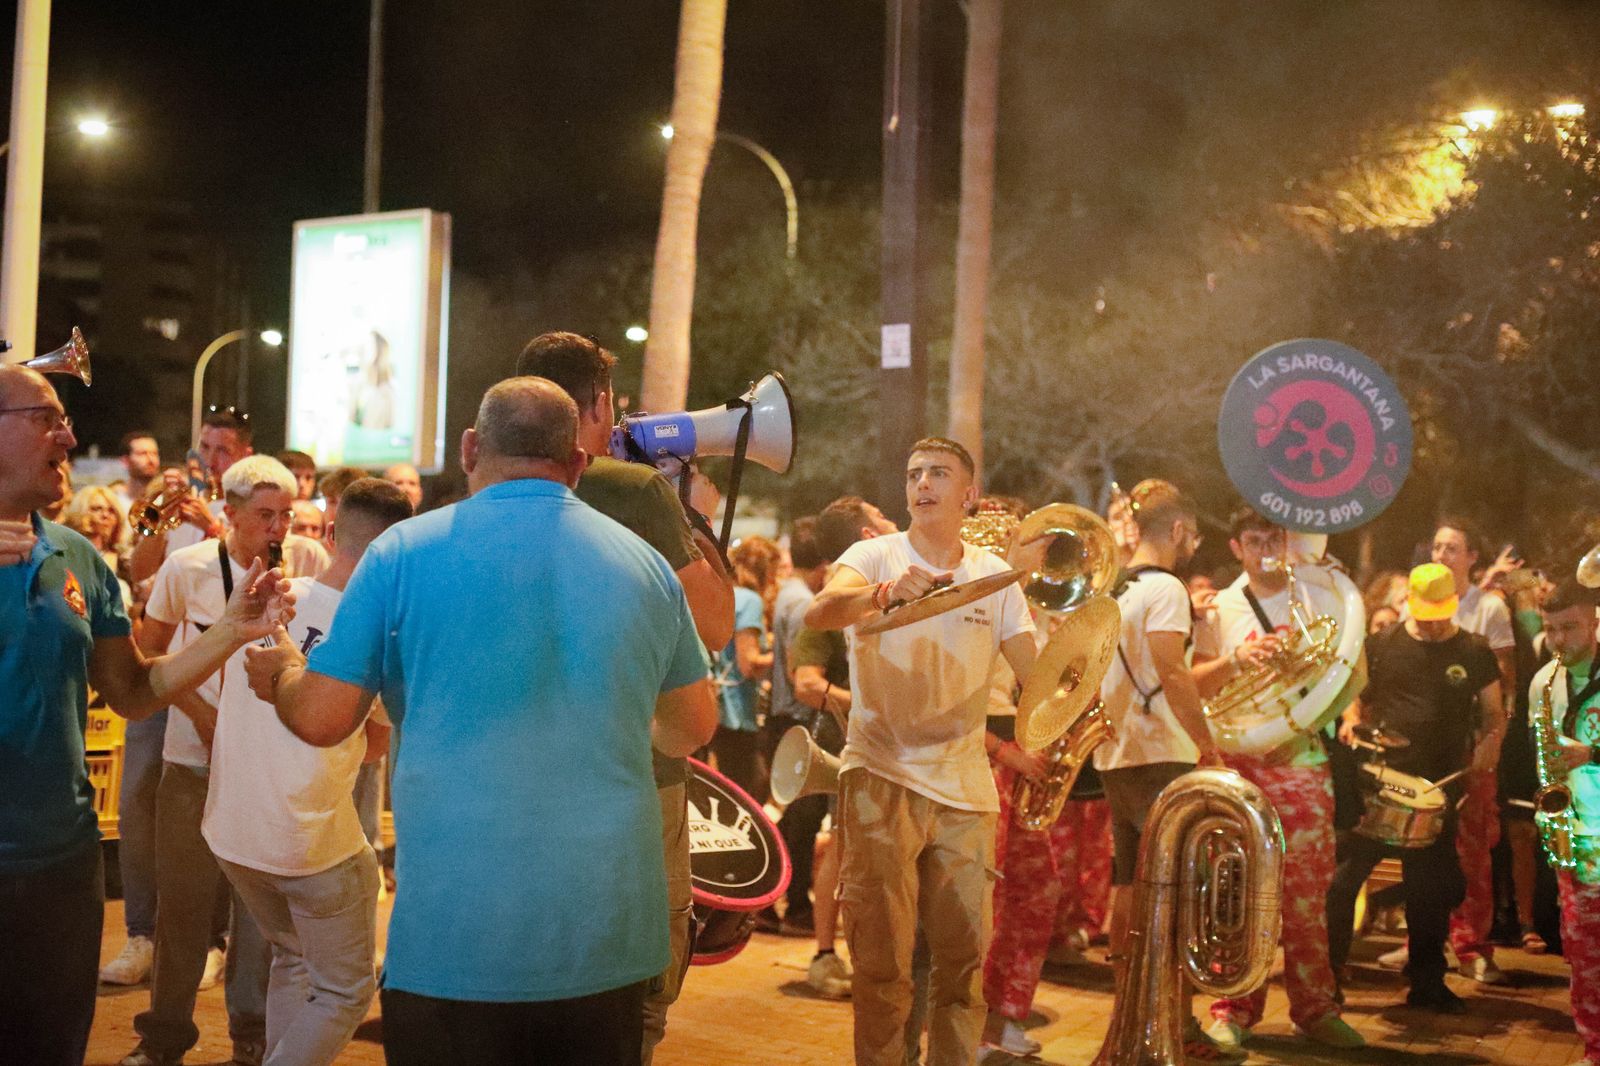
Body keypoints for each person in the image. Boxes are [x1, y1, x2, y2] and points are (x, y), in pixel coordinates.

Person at [246, 377, 718, 1066]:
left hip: (456, 937)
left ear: (471, 447)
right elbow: (690, 727)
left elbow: (322, 719)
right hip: (607, 935)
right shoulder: (646, 566)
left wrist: (281, 676)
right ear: (577, 464)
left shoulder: (401, 554)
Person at [0, 363, 293, 1066]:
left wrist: (229, 630)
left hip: (62, 865)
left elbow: (131, 689)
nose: (68, 435)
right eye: (46, 417)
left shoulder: (77, 556)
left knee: (48, 1043)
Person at [513, 330, 734, 1064]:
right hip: (635, 771)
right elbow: (716, 622)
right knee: (638, 980)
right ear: (600, 404)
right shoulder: (635, 491)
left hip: (524, 770)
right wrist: (685, 508)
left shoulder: (486, 491)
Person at [805, 438, 1037, 1066]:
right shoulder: (873, 552)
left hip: (966, 787)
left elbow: (1036, 678)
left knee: (964, 967)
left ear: (970, 494)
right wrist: (882, 594)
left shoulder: (994, 575)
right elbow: (822, 612)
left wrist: (1086, 641)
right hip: (881, 774)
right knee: (883, 966)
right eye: (913, 474)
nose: (922, 483)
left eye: (939, 473)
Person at [121, 455, 324, 1066]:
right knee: (181, 909)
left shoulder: (307, 562)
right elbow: (147, 657)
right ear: (228, 513)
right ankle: (164, 1039)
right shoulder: (186, 568)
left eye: (286, 514)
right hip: (192, 763)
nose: (278, 527)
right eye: (264, 514)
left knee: (261, 922)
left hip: (265, 770)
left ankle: (251, 1038)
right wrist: (202, 716)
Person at [207, 478, 411, 1065]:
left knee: (293, 954)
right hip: (309, 843)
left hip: (234, 833)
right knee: (347, 990)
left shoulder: (271, 597)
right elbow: (371, 746)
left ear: (331, 529)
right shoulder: (375, 629)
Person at [1194, 509, 1364, 1051]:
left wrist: (1307, 725)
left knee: (1307, 894)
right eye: (1254, 540)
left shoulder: (1317, 596)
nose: (1266, 549)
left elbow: (1354, 675)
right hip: (1237, 764)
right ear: (1235, 546)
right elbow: (1194, 683)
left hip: (1300, 760)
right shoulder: (1217, 608)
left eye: (1275, 539)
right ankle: (1235, 1008)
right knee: (1235, 891)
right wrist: (1237, 659)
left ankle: (1315, 1008)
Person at [1089, 484, 1236, 1063]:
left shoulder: (1111, 589)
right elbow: (1174, 672)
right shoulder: (1169, 588)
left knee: (1129, 881)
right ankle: (1170, 1023)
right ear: (1177, 532)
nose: (1190, 548)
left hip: (1117, 753)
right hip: (1163, 753)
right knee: (1174, 892)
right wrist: (1207, 745)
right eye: (1191, 538)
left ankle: (1131, 1017)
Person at [1328, 563, 1503, 1013]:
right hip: (1379, 784)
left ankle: (1427, 982)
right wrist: (1351, 719)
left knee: (1430, 888)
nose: (1431, 622)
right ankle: (1326, 978)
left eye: (1440, 613)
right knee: (1343, 881)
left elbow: (1493, 713)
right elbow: (1353, 691)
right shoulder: (1383, 644)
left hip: (1437, 789)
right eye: (1424, 613)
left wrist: (1490, 745)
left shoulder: (1474, 650)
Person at [1380, 520, 1519, 983]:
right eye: (1436, 546)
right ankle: (1423, 942)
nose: (1442, 554)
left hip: (1469, 752)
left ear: (1472, 555)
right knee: (1420, 849)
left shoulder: (1488, 609)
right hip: (1419, 761)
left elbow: (1502, 683)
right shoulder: (1414, 607)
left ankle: (1472, 944)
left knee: (1471, 850)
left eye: (1453, 547)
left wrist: (1490, 741)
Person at [789, 496, 901, 998]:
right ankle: (824, 953)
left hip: (894, 741)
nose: (893, 521)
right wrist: (862, 699)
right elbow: (807, 684)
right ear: (864, 533)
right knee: (841, 845)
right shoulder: (839, 590)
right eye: (881, 517)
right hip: (853, 740)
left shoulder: (888, 574)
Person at [1528, 578, 1600, 1064]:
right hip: (1574, 834)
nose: (1559, 641)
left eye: (1569, 627)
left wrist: (1590, 753)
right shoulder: (1543, 682)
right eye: (1551, 629)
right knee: (1583, 956)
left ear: (1596, 620)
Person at [766, 517, 829, 936]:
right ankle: (795, 904)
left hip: (780, 715)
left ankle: (773, 902)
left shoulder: (788, 594)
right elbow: (796, 668)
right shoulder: (806, 603)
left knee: (788, 813)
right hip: (797, 718)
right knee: (802, 818)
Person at [130, 406, 254, 583]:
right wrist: (161, 519)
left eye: (223, 451)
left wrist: (211, 526)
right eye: (204, 447)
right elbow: (138, 574)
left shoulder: (255, 506)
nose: (210, 461)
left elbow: (250, 569)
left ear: (246, 455)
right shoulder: (183, 495)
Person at [713, 536, 778, 798]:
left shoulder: (729, 594)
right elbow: (748, 663)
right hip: (738, 712)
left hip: (721, 709)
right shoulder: (750, 600)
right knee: (749, 793)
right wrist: (783, 656)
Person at [113, 429, 162, 517]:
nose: (151, 460)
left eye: (155, 453)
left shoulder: (164, 501)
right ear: (125, 461)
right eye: (142, 454)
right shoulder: (114, 502)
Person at [316, 466, 366, 550]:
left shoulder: (374, 552)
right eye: (332, 502)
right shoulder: (313, 552)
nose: (337, 511)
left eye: (347, 503)